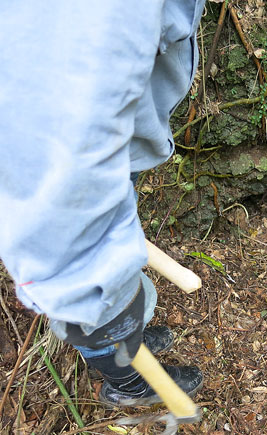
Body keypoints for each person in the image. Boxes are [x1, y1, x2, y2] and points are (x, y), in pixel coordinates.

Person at [0, 0, 206, 407]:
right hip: (73, 167)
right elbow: (55, 182)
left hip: (110, 142)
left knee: (110, 289)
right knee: (92, 290)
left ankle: (126, 335)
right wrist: (92, 282)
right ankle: (128, 384)